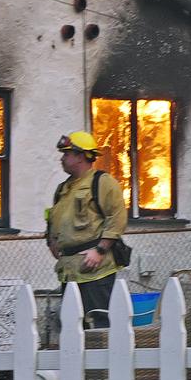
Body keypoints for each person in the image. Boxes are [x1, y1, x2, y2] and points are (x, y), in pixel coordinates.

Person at [45, 131, 129, 330]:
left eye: (66, 154)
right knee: (72, 326)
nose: (62, 159)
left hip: (95, 269)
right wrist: (50, 240)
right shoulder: (63, 188)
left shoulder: (102, 182)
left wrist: (99, 251)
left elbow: (117, 219)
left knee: (99, 325)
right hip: (70, 270)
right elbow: (53, 217)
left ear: (81, 156)